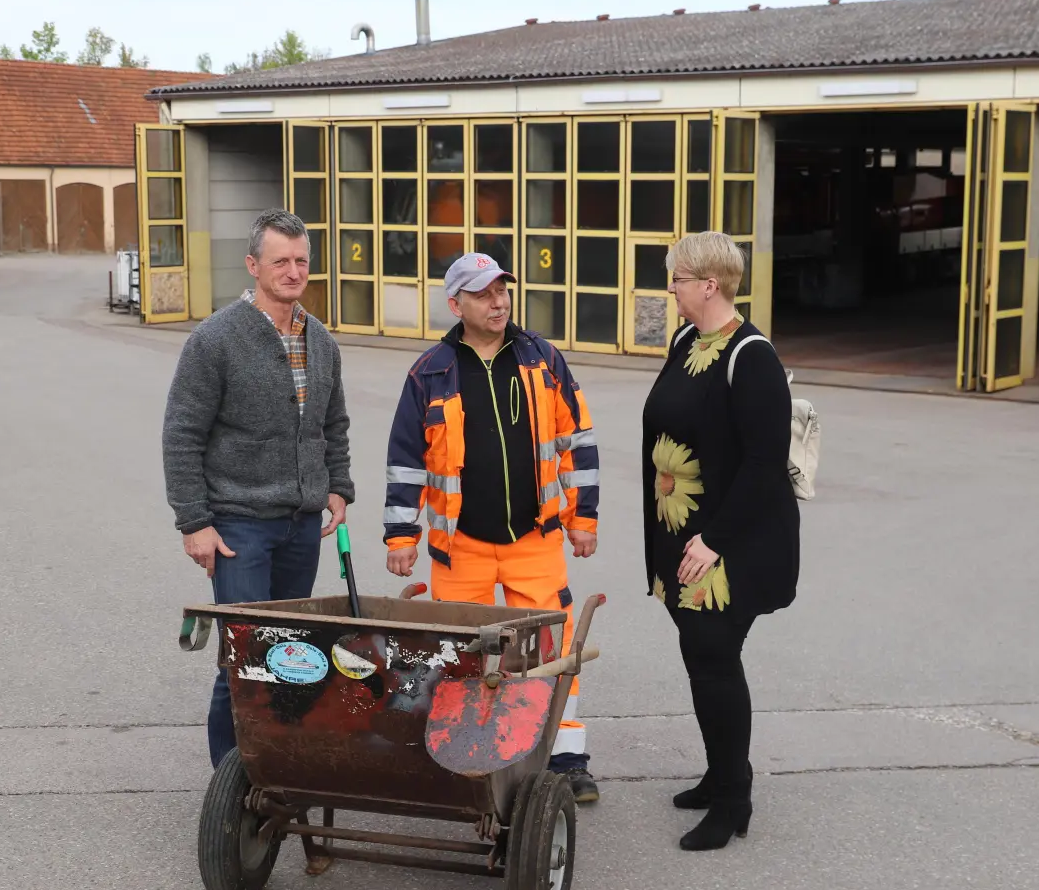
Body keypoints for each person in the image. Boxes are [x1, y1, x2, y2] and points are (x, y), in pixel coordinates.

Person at [384, 252, 603, 802]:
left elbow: (577, 442)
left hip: (536, 540)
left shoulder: (542, 360)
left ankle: (566, 755)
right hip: (462, 549)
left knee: (553, 650)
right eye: (484, 293)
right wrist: (401, 536)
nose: (499, 301)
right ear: (456, 304)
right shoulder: (430, 372)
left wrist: (583, 517)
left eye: (503, 290)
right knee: (460, 656)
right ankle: (466, 756)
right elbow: (405, 459)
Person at [162, 208, 354, 768]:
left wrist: (338, 486)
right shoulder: (215, 341)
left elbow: (332, 424)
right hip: (239, 527)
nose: (293, 271)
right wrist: (194, 521)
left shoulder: (320, 341)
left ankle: (283, 772)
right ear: (253, 266)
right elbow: (181, 434)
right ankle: (234, 789)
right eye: (280, 261)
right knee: (243, 656)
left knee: (293, 659)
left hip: (301, 527)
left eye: (301, 261)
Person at [641, 231, 799, 851]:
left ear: (709, 284)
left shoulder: (751, 355)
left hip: (727, 545)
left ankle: (734, 799)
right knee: (700, 656)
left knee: (714, 661)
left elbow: (766, 463)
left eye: (676, 279)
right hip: (683, 534)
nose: (670, 289)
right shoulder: (686, 340)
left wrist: (713, 540)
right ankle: (720, 774)